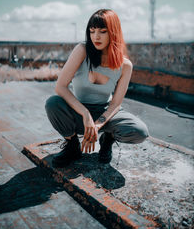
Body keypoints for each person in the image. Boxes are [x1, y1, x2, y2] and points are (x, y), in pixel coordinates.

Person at [45, 9, 149, 167]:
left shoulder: (125, 65)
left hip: (105, 113)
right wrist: (86, 115)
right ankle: (72, 146)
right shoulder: (82, 50)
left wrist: (97, 125)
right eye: (92, 31)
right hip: (78, 111)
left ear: (113, 32)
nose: (96, 37)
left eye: (102, 31)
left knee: (140, 131)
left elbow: (115, 104)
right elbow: (60, 87)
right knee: (53, 103)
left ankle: (107, 139)